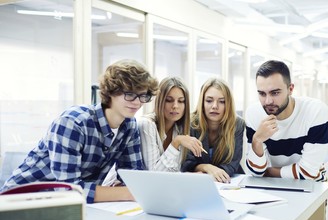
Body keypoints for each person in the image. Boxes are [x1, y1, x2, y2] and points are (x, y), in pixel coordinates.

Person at [0, 59, 159, 203]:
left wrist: (128, 189)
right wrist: (125, 193)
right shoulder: (73, 122)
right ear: (111, 91)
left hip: (66, 207)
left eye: (143, 96)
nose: (138, 102)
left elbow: (133, 178)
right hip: (19, 202)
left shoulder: (129, 126)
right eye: (130, 94)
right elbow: (68, 189)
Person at [245, 60, 328, 181]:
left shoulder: (315, 111)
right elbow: (256, 171)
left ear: (290, 89)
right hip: (271, 187)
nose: (268, 101)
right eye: (262, 94)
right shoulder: (253, 113)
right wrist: (257, 140)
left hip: (312, 188)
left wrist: (268, 172)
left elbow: (308, 173)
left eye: (275, 93)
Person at [181, 77, 245, 183]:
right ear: (202, 102)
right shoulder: (190, 123)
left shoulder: (238, 124)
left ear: (228, 104)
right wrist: (207, 167)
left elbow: (232, 164)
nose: (215, 106)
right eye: (209, 101)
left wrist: (213, 174)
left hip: (229, 181)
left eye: (222, 101)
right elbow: (187, 163)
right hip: (197, 182)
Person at [137, 77, 204, 171]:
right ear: (160, 102)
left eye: (181, 101)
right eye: (169, 100)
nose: (175, 106)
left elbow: (174, 171)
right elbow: (154, 174)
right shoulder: (147, 125)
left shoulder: (180, 128)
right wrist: (176, 142)